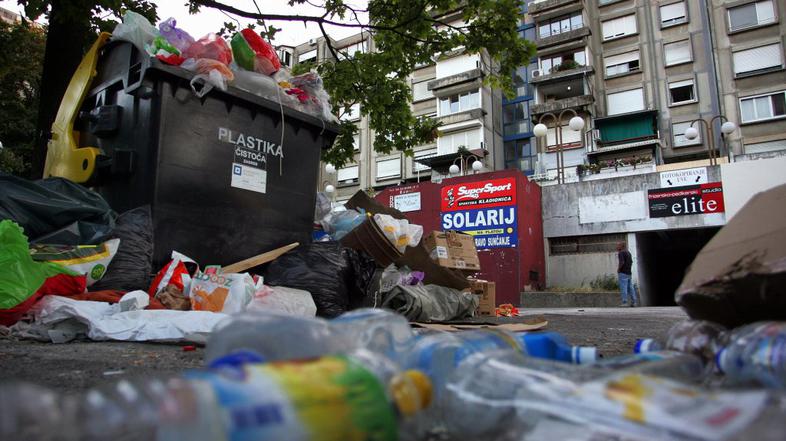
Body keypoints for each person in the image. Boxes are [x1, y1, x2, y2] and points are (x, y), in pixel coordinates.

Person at [617, 242, 638, 307]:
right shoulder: (628, 253)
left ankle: (625, 302)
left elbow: (622, 262)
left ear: (621, 246)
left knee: (623, 287)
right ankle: (634, 302)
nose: (617, 247)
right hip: (629, 273)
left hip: (623, 273)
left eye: (618, 245)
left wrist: (618, 269)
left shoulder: (621, 253)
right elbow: (631, 262)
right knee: (630, 288)